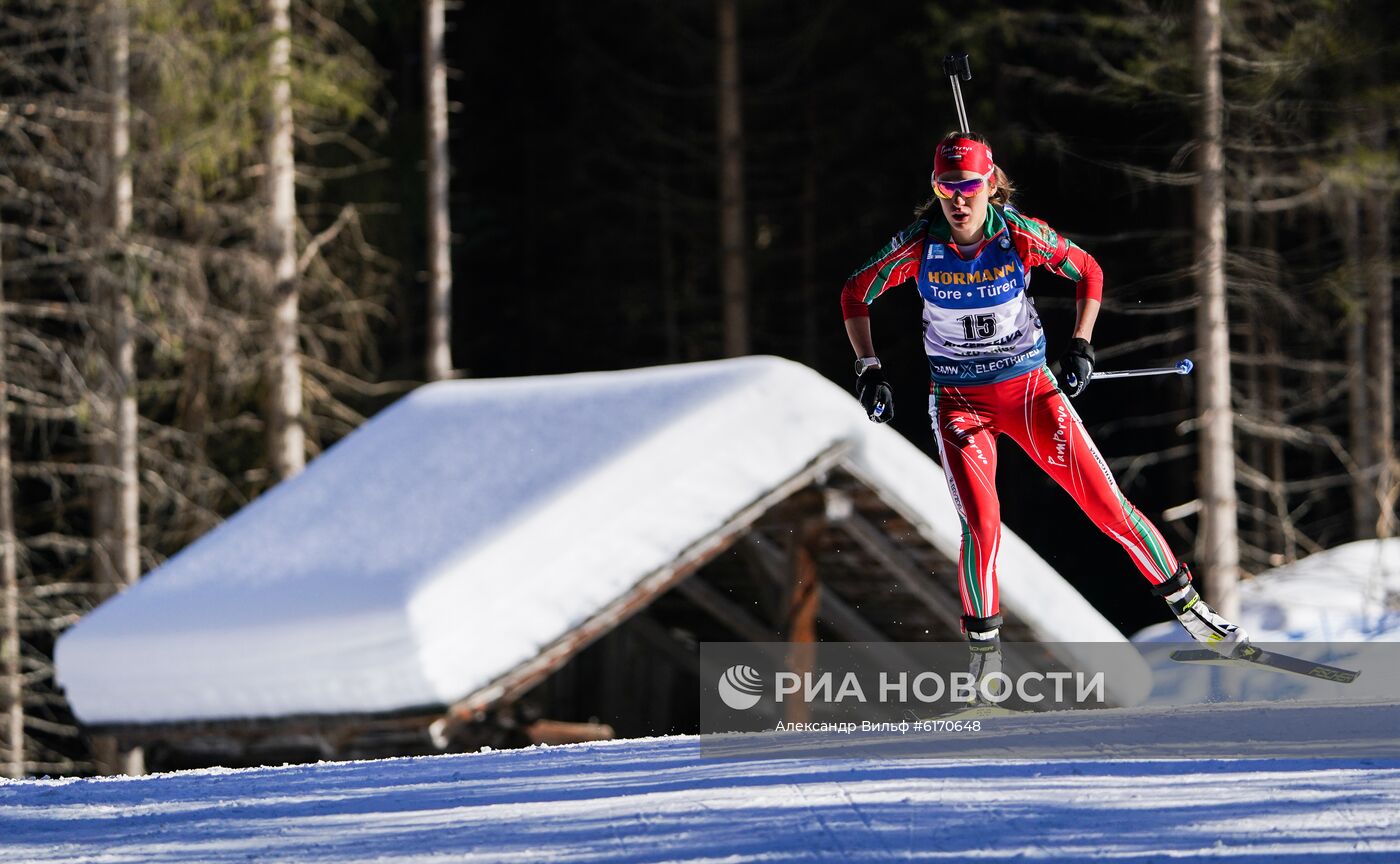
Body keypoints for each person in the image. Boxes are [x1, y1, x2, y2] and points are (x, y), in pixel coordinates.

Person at [840, 131, 1246, 696]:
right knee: (981, 527)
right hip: (960, 403)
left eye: (969, 187)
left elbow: (1090, 273)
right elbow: (855, 292)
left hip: (1030, 393)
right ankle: (985, 666)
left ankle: (1194, 614)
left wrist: (1081, 344)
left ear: (990, 184)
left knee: (1106, 506)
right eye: (946, 187)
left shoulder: (1020, 236)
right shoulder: (918, 245)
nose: (958, 200)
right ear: (934, 189)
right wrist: (870, 369)